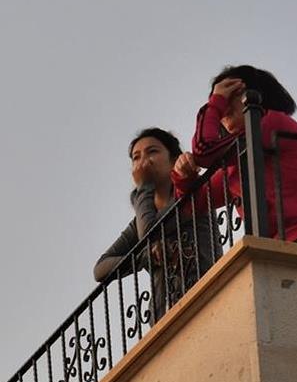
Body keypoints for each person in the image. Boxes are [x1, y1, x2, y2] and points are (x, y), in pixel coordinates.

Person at [173, 65, 297, 248]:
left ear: (258, 94)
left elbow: (204, 151)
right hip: (280, 246)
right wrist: (184, 179)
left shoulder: (273, 121)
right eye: (221, 101)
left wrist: (214, 105)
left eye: (232, 95)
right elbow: (191, 206)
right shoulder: (238, 158)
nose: (224, 108)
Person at [94, 128, 223, 318]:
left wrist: (144, 187)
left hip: (204, 301)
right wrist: (147, 257)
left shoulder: (193, 195)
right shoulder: (139, 221)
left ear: (173, 160)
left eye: (152, 151)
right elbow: (101, 269)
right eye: (136, 157)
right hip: (163, 318)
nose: (143, 161)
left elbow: (151, 233)